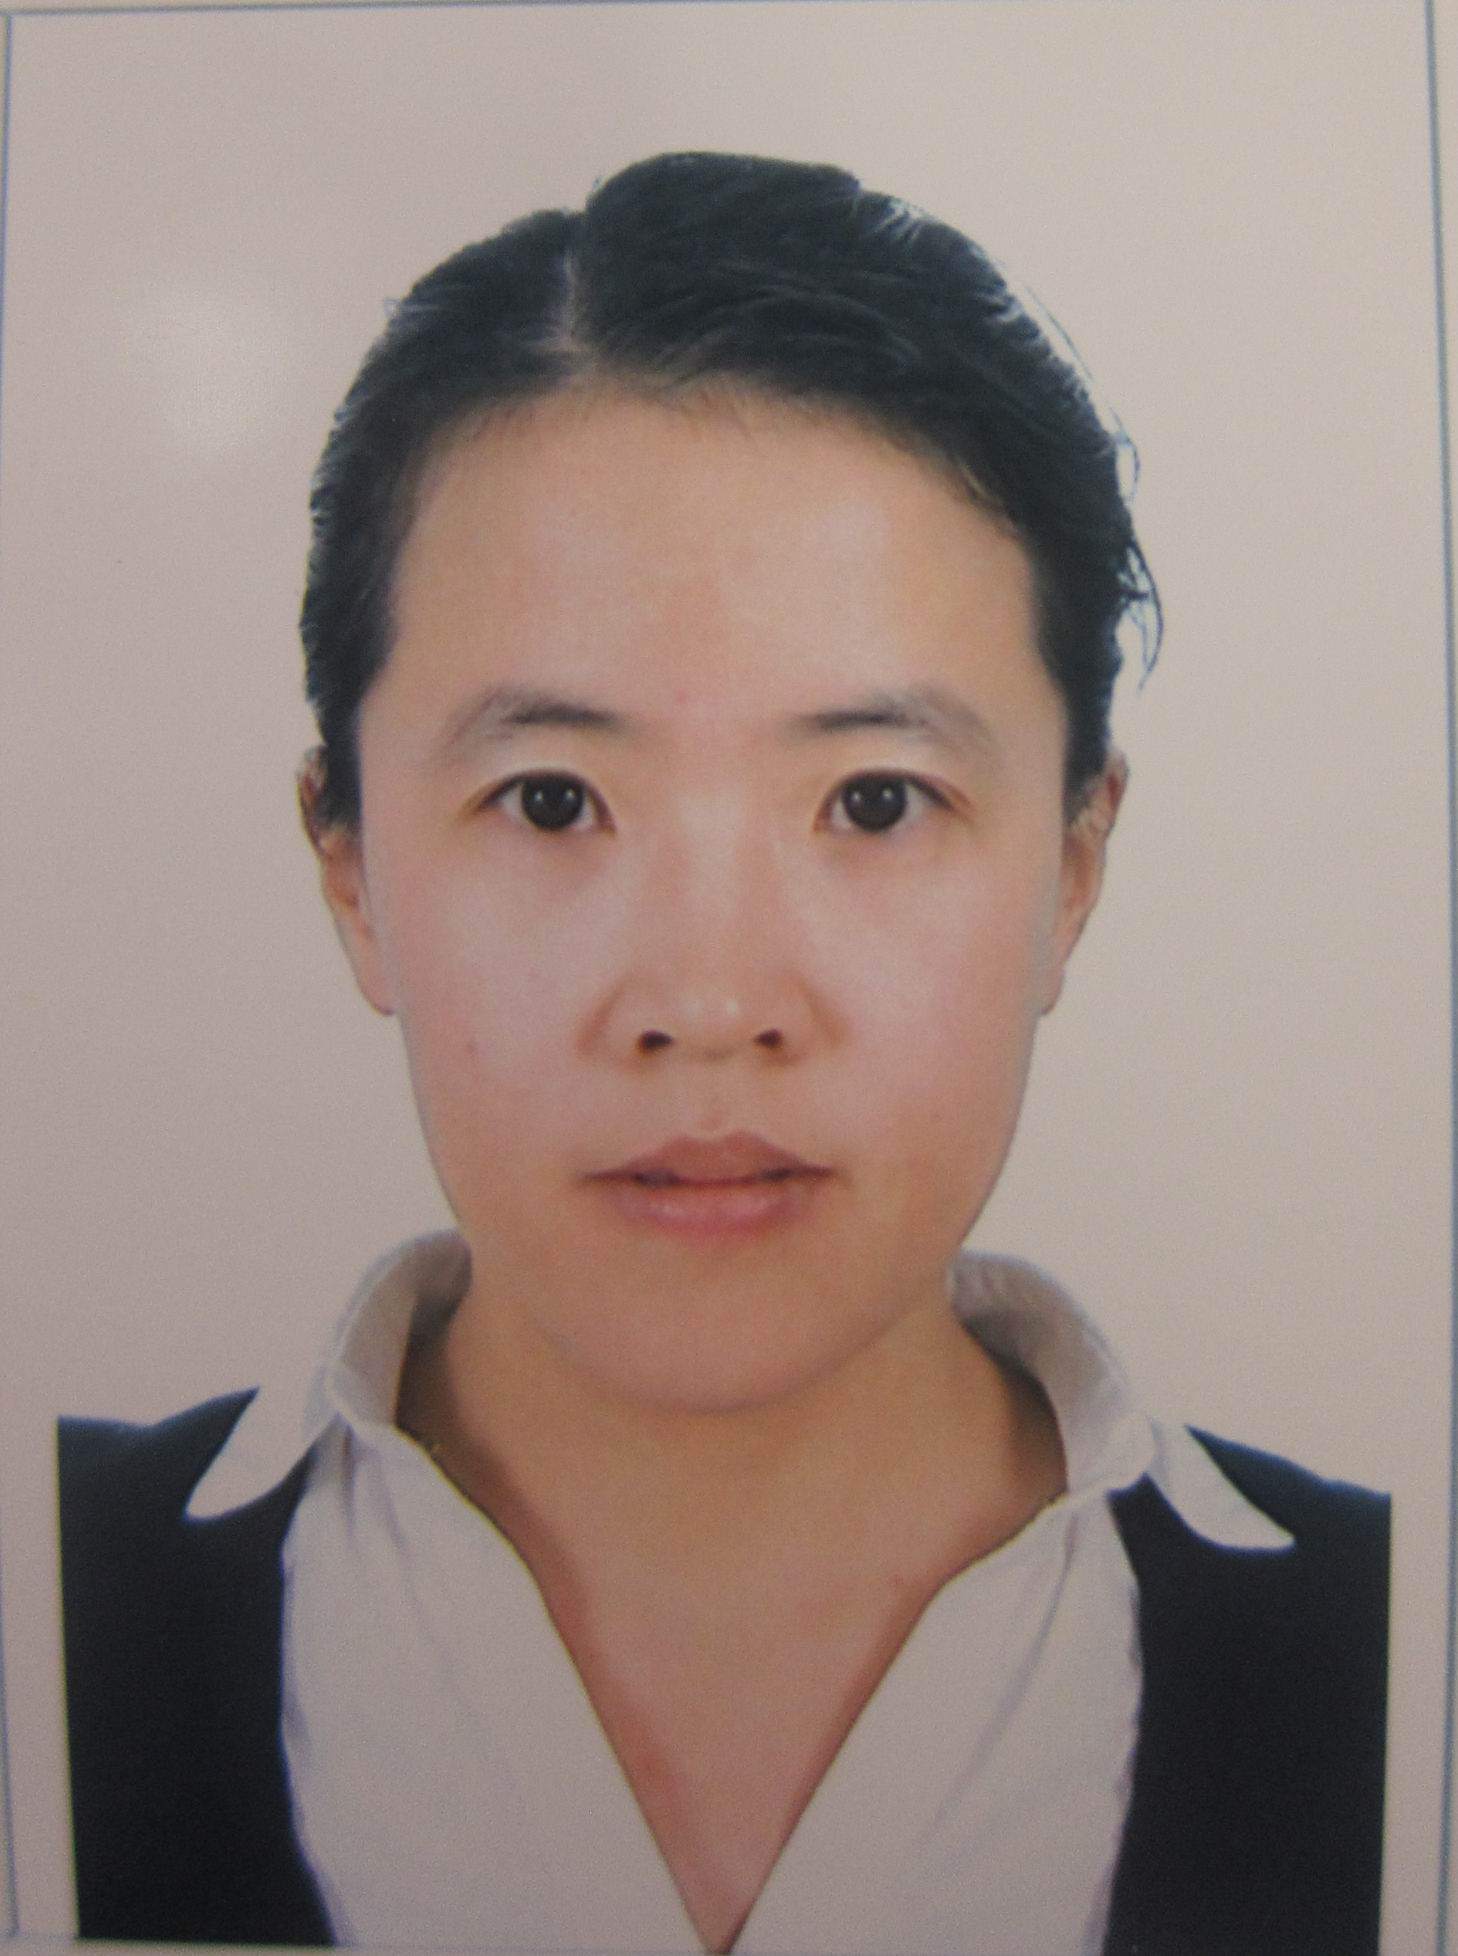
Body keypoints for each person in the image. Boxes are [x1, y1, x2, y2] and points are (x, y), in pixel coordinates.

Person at [58, 152, 1388, 1956]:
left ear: (1072, 867)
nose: (705, 998)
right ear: (348, 866)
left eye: (873, 800)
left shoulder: (1401, 1654)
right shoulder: (46, 1602)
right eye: (551, 800)